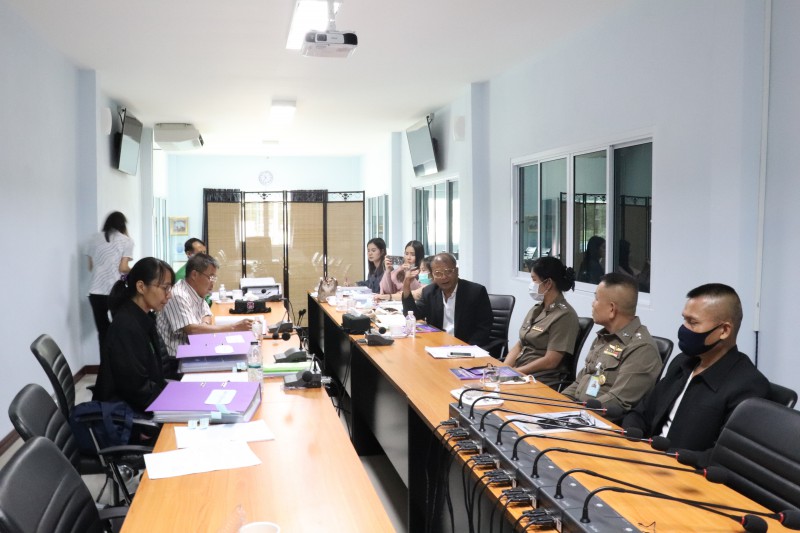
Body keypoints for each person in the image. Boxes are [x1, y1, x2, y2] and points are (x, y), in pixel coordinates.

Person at [623, 283, 769, 454]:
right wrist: (632, 439)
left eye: (693, 322)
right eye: (684, 319)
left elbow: (725, 457)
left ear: (724, 330)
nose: (684, 328)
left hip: (680, 467)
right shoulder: (682, 363)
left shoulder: (748, 386)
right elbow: (641, 413)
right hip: (644, 457)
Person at [561, 273, 661, 420]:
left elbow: (617, 401)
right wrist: (557, 403)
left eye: (596, 299)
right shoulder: (604, 337)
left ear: (612, 309)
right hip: (579, 414)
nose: (593, 304)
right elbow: (579, 382)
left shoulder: (642, 349)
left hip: (600, 422)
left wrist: (574, 412)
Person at [93, 257, 176, 413]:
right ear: (141, 287)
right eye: (165, 288)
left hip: (145, 401)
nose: (169, 295)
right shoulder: (127, 326)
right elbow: (137, 391)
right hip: (127, 416)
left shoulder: (143, 317)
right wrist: (175, 401)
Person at [157, 253, 253, 357]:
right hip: (177, 358)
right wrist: (234, 327)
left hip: (195, 349)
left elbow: (207, 315)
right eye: (210, 277)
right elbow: (192, 330)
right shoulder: (178, 294)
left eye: (214, 278)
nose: (213, 282)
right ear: (194, 275)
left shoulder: (197, 291)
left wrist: (204, 325)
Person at [504, 256, 580, 386]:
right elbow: (520, 344)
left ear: (548, 283)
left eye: (534, 280)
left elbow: (551, 361)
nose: (531, 285)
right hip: (519, 372)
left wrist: (516, 372)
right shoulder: (537, 309)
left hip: (539, 379)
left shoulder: (565, 315)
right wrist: (503, 369)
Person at [401, 252, 492, 346]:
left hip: (464, 346)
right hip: (437, 345)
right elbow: (412, 315)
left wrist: (469, 349)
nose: (443, 277)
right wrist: (406, 284)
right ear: (432, 275)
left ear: (456, 271)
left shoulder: (475, 292)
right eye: (438, 273)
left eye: (448, 271)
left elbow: (484, 328)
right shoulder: (429, 292)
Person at [86, 211, 134, 359]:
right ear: (122, 224)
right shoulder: (126, 241)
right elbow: (123, 268)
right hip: (115, 291)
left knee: (103, 332)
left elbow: (90, 267)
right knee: (120, 330)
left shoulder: (93, 238)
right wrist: (135, 271)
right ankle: (121, 364)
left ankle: (105, 367)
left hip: (95, 292)